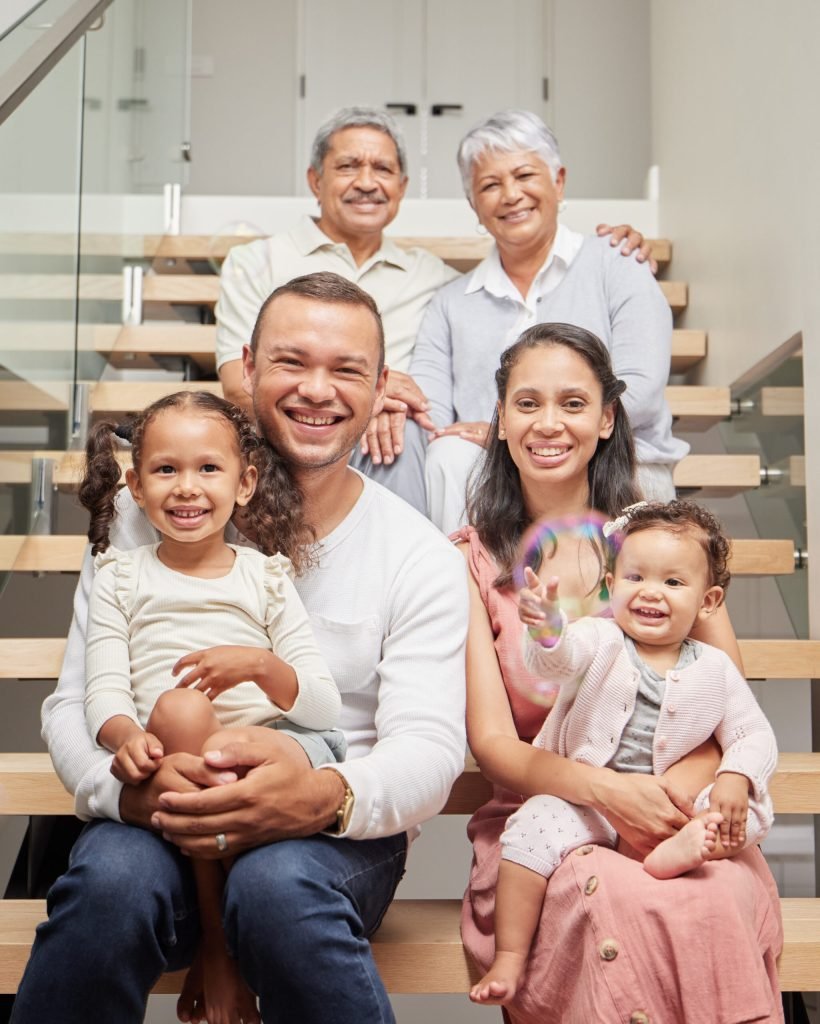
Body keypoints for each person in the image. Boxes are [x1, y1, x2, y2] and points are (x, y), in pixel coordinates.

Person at [12, 272, 469, 1024]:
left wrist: (323, 797)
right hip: (161, 810)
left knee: (278, 885)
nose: (317, 389)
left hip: (330, 835)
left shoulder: (416, 555)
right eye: (292, 362)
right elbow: (77, 697)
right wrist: (125, 789)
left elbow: (427, 747)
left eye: (346, 369)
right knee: (108, 885)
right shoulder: (143, 518)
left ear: (381, 386)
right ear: (248, 368)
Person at [456, 322, 783, 1024]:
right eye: (527, 403)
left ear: (606, 418)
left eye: (573, 404)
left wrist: (663, 801)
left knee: (712, 894)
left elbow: (726, 701)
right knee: (618, 899)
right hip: (546, 818)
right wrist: (611, 795)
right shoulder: (470, 561)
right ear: (502, 421)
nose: (549, 423)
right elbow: (493, 747)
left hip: (680, 806)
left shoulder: (663, 547)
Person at [215, 106, 651, 514]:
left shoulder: (434, 278)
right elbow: (241, 386)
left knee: (402, 434)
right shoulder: (258, 262)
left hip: (389, 445)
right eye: (348, 166)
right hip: (295, 434)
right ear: (315, 180)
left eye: (383, 169)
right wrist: (370, 398)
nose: (367, 182)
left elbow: (428, 402)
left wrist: (380, 401)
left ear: (402, 188)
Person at [79, 390, 343, 1024]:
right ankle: (220, 944)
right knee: (176, 711)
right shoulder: (120, 576)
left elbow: (324, 706)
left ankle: (215, 941)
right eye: (166, 470)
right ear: (136, 488)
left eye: (208, 469)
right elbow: (104, 691)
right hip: (171, 760)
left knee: (185, 713)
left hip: (263, 757)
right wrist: (124, 738)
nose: (187, 488)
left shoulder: (266, 578)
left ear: (245, 483)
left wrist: (257, 663)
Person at [471, 499, 778, 1007]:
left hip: (673, 809)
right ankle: (510, 955)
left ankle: (675, 855)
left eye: (674, 583)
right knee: (532, 827)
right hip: (589, 802)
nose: (651, 592)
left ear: (708, 600)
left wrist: (735, 777)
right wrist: (547, 629)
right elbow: (558, 660)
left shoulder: (716, 670)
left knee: (731, 822)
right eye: (636, 577)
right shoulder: (601, 639)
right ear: (612, 587)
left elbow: (753, 733)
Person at [409, 109, 689, 533]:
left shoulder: (618, 264)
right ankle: (466, 593)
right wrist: (508, 441)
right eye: (489, 185)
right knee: (447, 455)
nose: (510, 194)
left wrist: (532, 430)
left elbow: (642, 391)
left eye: (524, 175)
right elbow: (431, 416)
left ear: (558, 182)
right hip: (499, 476)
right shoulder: (450, 304)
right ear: (473, 205)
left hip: (620, 467)